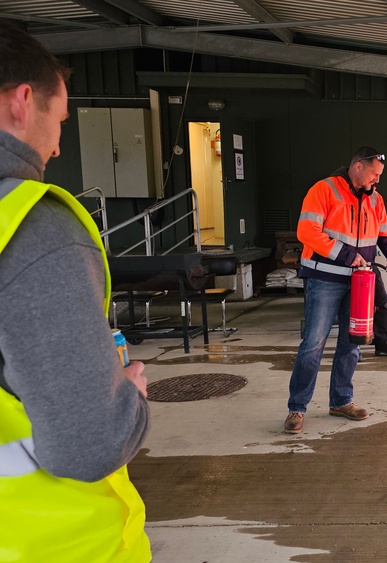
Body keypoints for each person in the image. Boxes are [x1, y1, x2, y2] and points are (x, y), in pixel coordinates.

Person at [0, 21, 151, 562]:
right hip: (49, 543)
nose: (59, 145)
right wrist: (129, 395)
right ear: (22, 102)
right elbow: (90, 444)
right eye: (59, 119)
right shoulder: (33, 228)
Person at [285, 146, 387, 434]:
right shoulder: (324, 190)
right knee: (313, 344)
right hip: (324, 279)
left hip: (359, 283)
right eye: (374, 173)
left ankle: (341, 401)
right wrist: (347, 255)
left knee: (352, 344)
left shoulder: (376, 200)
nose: (378, 180)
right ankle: (297, 408)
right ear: (358, 167)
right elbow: (307, 231)